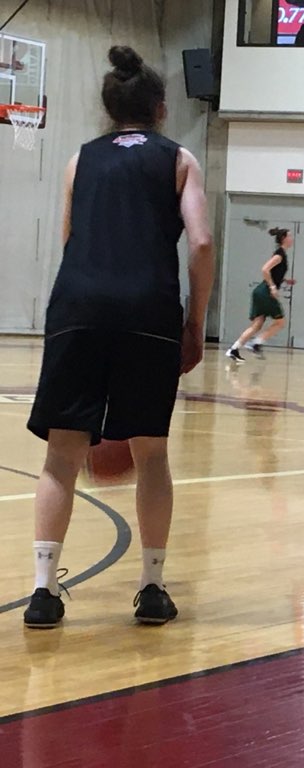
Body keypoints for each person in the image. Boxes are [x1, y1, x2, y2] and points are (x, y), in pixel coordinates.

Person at [23, 46, 214, 628]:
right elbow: (201, 243)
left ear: (109, 110)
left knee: (61, 455)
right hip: (146, 309)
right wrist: (195, 323)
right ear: (160, 108)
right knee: (150, 453)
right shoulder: (179, 158)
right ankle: (152, 588)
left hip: (79, 300)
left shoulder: (79, 162)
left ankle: (42, 591)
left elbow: (68, 240)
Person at [226, 227, 292, 361]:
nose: (292, 239)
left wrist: (284, 280)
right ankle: (256, 343)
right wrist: (273, 286)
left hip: (261, 291)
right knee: (280, 322)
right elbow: (265, 269)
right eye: (290, 236)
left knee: (257, 324)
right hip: (265, 292)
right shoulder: (279, 255)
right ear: (284, 238)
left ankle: (233, 349)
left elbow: (274, 272)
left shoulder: (281, 254)